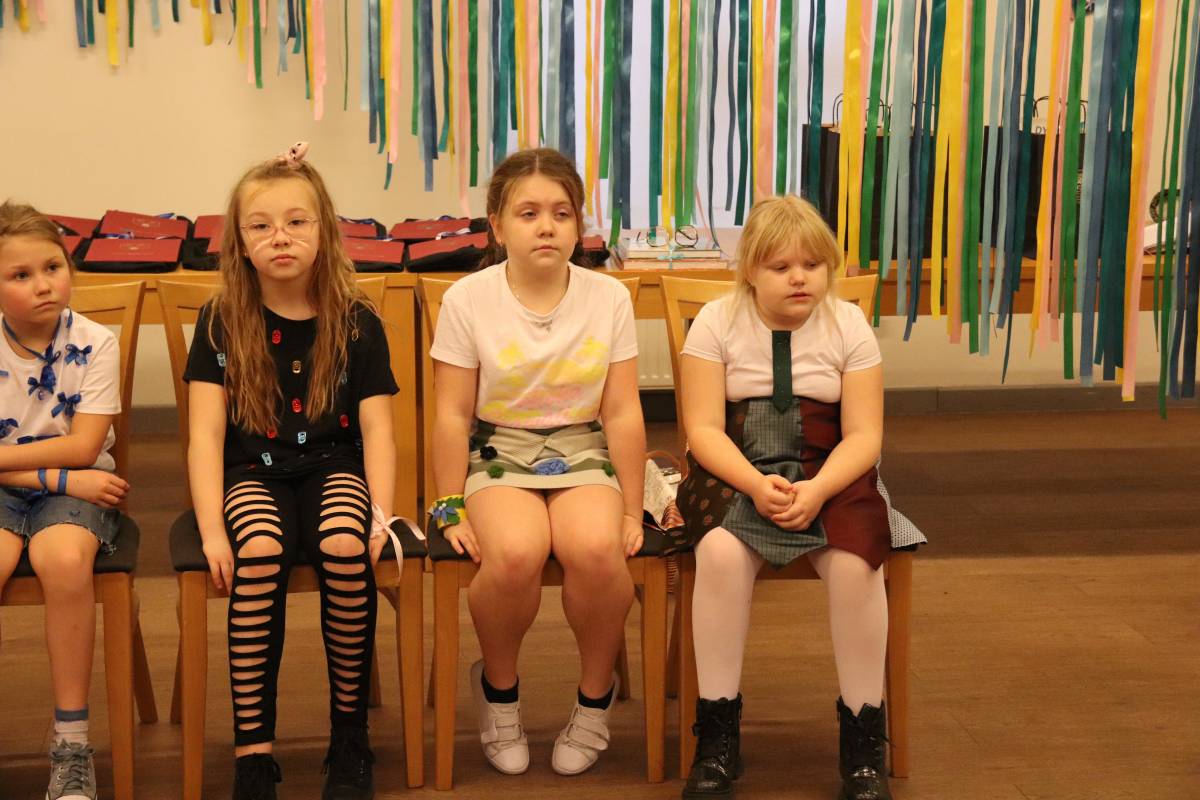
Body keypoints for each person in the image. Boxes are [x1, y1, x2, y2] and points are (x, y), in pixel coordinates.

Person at [185, 143, 398, 800]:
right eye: (261, 225)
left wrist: (381, 515)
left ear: (324, 230)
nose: (280, 237)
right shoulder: (220, 320)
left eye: (296, 221)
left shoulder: (357, 320)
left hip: (334, 466)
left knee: (343, 546)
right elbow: (203, 437)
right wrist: (212, 531)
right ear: (240, 243)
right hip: (251, 472)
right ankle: (254, 753)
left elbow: (378, 430)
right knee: (259, 552)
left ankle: (349, 739)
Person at [429, 147, 646, 777]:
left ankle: (594, 701)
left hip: (582, 448)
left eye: (561, 213)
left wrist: (632, 510)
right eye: (528, 213)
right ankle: (499, 693)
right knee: (516, 552)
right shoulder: (468, 299)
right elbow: (452, 416)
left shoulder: (608, 297)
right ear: (497, 227)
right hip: (499, 450)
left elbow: (622, 414)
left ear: (578, 225)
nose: (546, 226)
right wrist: (448, 506)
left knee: (598, 549)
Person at [677, 195, 901, 800]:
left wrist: (819, 489)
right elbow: (703, 430)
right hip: (735, 469)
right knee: (720, 554)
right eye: (781, 267)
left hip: (830, 469)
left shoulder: (848, 324)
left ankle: (863, 743)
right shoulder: (716, 322)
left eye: (813, 264)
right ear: (751, 270)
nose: (800, 278)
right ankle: (717, 739)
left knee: (856, 565)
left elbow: (865, 435)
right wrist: (755, 485)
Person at [0, 200, 129, 800]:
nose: (42, 285)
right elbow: (70, 466)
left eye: (52, 267)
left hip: (80, 485)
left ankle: (72, 745)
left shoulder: (96, 342)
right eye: (20, 275)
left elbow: (83, 448)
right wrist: (60, 479)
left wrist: (63, 478)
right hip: (64, 484)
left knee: (64, 560)